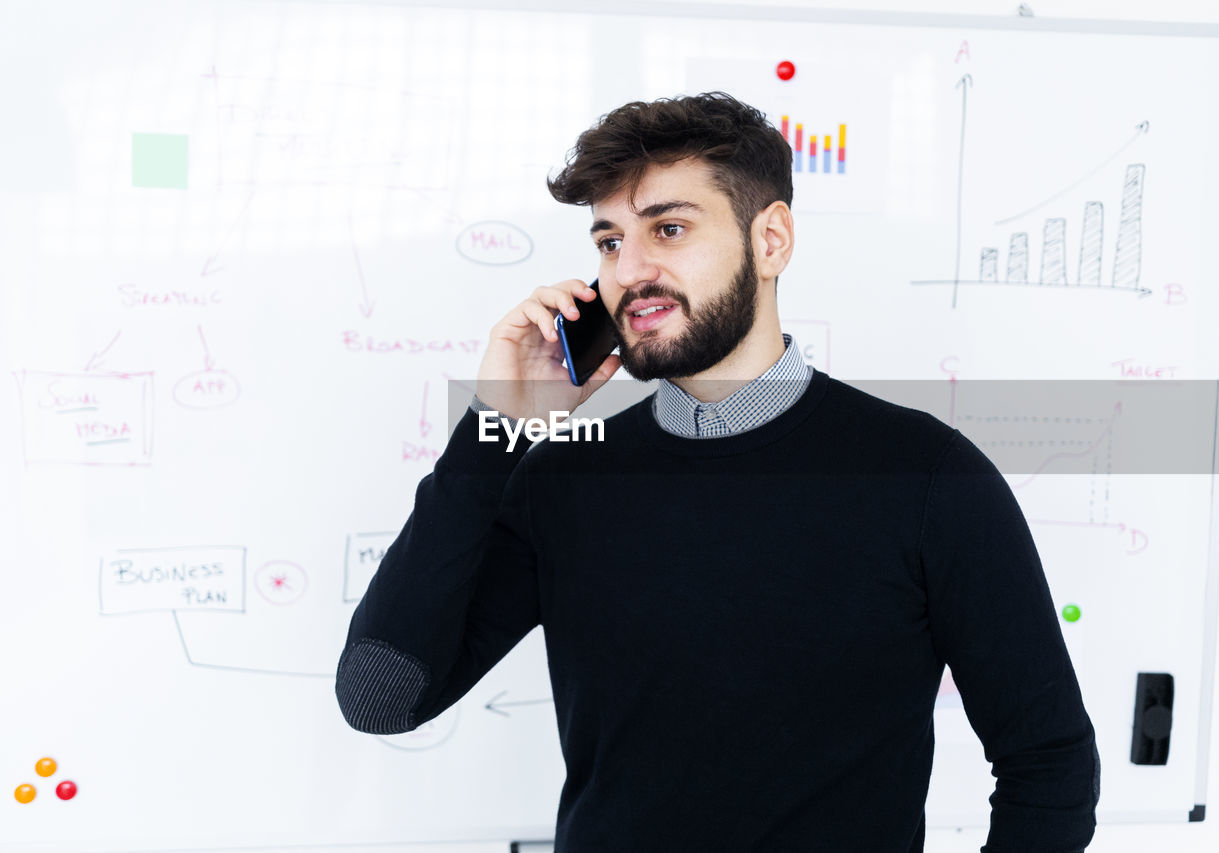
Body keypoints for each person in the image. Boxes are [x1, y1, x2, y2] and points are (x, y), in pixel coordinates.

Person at [335, 91, 1100, 852]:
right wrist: (498, 425)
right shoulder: (564, 482)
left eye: (668, 229)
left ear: (771, 241)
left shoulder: (927, 478)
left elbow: (1050, 767)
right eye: (608, 242)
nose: (628, 272)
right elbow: (381, 697)